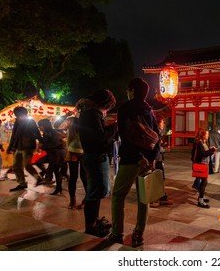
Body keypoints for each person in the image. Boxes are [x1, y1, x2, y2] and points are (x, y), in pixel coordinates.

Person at [107, 78, 160, 247]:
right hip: (147, 162)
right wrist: (151, 159)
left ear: (131, 91)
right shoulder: (149, 111)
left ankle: (117, 233)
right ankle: (139, 234)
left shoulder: (125, 109)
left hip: (131, 159)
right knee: (143, 198)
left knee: (118, 196)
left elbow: (126, 135)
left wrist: (138, 156)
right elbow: (157, 137)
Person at [76, 89, 118, 238]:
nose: (107, 110)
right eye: (108, 107)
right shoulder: (92, 114)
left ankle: (95, 220)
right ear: (104, 103)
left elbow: (96, 134)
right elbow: (100, 137)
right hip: (95, 156)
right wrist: (114, 127)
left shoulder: (88, 113)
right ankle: (91, 226)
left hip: (91, 155)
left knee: (96, 192)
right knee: (94, 194)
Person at [6, 106, 44, 191]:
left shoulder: (30, 121)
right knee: (16, 166)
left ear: (24, 114)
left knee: (27, 166)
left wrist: (41, 142)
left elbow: (37, 133)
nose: (19, 117)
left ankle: (39, 178)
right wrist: (11, 147)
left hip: (28, 146)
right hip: (18, 147)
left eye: (20, 115)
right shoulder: (17, 122)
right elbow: (14, 136)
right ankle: (22, 183)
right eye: (17, 116)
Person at [57, 113, 87, 209]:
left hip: (85, 152)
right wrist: (65, 115)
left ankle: (86, 199)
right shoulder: (71, 120)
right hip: (73, 151)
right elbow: (57, 126)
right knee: (73, 176)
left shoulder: (89, 119)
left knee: (84, 177)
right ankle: (72, 200)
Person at [37, 119, 66, 195]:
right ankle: (57, 186)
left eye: (40, 126)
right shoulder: (45, 133)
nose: (39, 128)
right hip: (52, 154)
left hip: (57, 154)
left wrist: (43, 147)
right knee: (38, 162)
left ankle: (58, 188)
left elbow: (55, 144)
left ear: (44, 126)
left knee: (56, 172)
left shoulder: (53, 132)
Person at [150, 115, 174, 208]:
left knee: (160, 179)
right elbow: (156, 148)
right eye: (162, 122)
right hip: (156, 160)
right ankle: (156, 198)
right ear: (158, 123)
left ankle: (161, 197)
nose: (164, 124)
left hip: (158, 159)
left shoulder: (157, 132)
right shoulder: (155, 132)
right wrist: (164, 149)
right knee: (158, 179)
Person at [192, 129, 216, 208]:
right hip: (202, 164)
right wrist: (212, 150)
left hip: (205, 164)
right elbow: (203, 154)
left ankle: (201, 197)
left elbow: (205, 152)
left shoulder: (203, 142)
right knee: (204, 182)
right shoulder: (199, 143)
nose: (208, 135)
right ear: (203, 135)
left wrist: (210, 149)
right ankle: (200, 201)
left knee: (204, 182)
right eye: (206, 134)